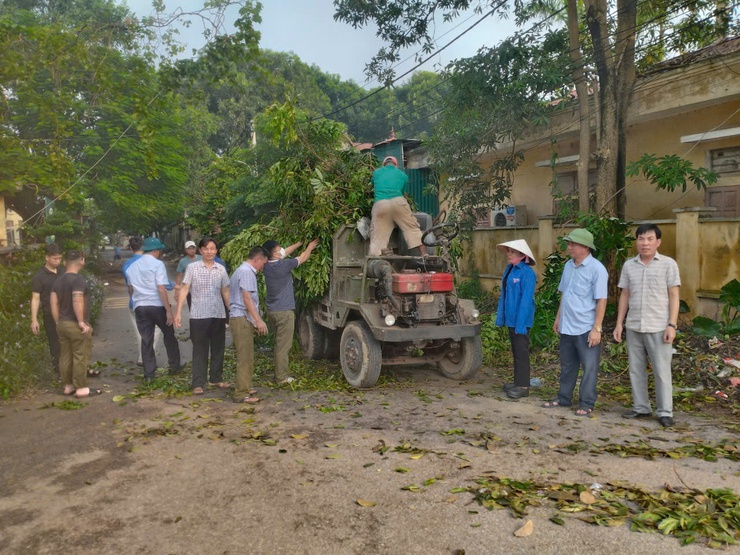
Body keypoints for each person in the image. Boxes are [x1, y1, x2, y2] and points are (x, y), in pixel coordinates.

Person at [614, 223, 681, 427]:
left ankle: (665, 412)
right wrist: (619, 324)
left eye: (650, 239)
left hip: (659, 326)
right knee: (636, 369)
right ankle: (641, 407)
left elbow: (674, 295)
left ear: (658, 242)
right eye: (641, 239)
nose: (645, 243)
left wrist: (672, 325)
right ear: (636, 242)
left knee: (661, 371)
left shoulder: (668, 264)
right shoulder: (629, 265)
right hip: (634, 325)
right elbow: (625, 295)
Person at [542, 229, 608, 416]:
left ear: (585, 247)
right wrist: (558, 318)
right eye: (568, 243)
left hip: (586, 327)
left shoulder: (597, 269)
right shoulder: (568, 266)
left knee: (589, 367)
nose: (568, 247)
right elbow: (565, 294)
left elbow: (601, 300)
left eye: (572, 244)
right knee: (567, 365)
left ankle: (587, 403)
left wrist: (597, 328)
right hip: (567, 325)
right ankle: (563, 398)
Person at [174, 237, 230, 395]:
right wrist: (178, 312)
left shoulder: (221, 269)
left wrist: (230, 309)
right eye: (206, 249)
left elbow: (225, 290)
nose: (210, 251)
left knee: (218, 348)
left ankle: (215, 378)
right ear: (200, 250)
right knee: (200, 349)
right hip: (198, 315)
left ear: (216, 250)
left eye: (212, 248)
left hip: (218, 314)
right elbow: (185, 289)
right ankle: (198, 383)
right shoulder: (192, 268)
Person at [262, 238, 319, 383]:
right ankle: (281, 377)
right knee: (283, 346)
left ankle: (279, 372)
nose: (282, 249)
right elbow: (304, 257)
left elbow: (285, 252)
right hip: (284, 312)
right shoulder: (284, 265)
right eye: (278, 249)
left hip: (272, 311)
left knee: (278, 343)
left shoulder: (266, 265)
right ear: (274, 254)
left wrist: (299, 244)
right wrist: (310, 247)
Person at [125, 237, 182, 383]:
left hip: (141, 307)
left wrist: (137, 300)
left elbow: (130, 289)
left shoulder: (131, 267)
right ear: (156, 251)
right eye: (160, 251)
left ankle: (149, 374)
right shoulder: (158, 264)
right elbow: (161, 287)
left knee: (146, 339)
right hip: (157, 306)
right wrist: (168, 310)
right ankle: (174, 366)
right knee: (169, 334)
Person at [50, 250, 99, 398]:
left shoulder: (58, 280)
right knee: (80, 355)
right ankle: (81, 388)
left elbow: (53, 302)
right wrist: (81, 322)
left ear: (65, 262)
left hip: (62, 324)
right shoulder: (78, 280)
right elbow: (77, 299)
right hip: (75, 324)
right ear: (81, 261)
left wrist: (58, 321)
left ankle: (68, 386)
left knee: (65, 356)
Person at [495, 239, 536, 399]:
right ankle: (518, 382)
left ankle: (524, 387)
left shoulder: (527, 273)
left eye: (512, 251)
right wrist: (501, 318)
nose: (509, 254)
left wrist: (520, 324)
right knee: (516, 351)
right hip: (511, 319)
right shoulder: (510, 270)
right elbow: (505, 295)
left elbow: (526, 301)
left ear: (522, 254)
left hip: (521, 321)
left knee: (521, 352)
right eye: (508, 251)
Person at [229, 246, 269, 403]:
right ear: (257, 259)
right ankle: (241, 393)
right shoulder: (247, 272)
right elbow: (247, 299)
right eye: (263, 263)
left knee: (247, 355)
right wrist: (258, 320)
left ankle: (245, 386)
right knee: (244, 357)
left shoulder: (242, 270)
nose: (263, 266)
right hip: (241, 318)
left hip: (240, 318)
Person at [368, 156, 426, 256]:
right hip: (398, 202)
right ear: (396, 165)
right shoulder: (403, 175)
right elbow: (403, 191)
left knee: (378, 237)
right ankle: (424, 254)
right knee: (412, 228)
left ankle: (375, 260)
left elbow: (372, 184)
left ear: (384, 164)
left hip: (380, 204)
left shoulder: (376, 172)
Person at [122, 236, 163, 367]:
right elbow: (162, 284)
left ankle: (144, 357)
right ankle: (145, 357)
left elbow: (130, 286)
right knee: (155, 330)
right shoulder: (151, 262)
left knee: (140, 331)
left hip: (135, 303)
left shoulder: (127, 265)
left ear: (130, 248)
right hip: (153, 303)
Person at [30, 243, 65, 377]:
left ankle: (74, 370)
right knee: (55, 344)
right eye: (54, 259)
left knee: (70, 342)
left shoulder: (63, 271)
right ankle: (59, 372)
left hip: (65, 313)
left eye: (59, 258)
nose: (57, 261)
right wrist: (34, 319)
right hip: (50, 314)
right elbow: (35, 298)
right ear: (46, 257)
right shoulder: (39, 276)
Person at [174, 240, 201, 310]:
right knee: (192, 308)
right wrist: (176, 291)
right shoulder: (183, 261)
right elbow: (179, 275)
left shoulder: (201, 258)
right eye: (189, 248)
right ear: (186, 250)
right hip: (189, 289)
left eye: (193, 248)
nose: (192, 250)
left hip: (202, 288)